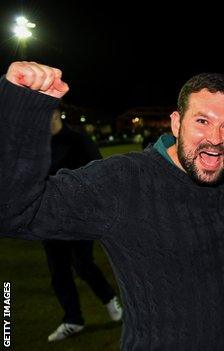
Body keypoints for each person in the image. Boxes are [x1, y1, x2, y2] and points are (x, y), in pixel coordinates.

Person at [0, 61, 224, 350]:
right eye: (202, 121)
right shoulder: (122, 183)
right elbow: (14, 212)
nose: (215, 138)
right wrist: (24, 110)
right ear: (176, 122)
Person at [44, 108, 122, 341]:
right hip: (50, 219)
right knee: (58, 273)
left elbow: (101, 172)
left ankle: (110, 300)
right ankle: (72, 320)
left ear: (56, 114)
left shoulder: (78, 140)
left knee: (83, 264)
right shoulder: (38, 145)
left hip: (79, 217)